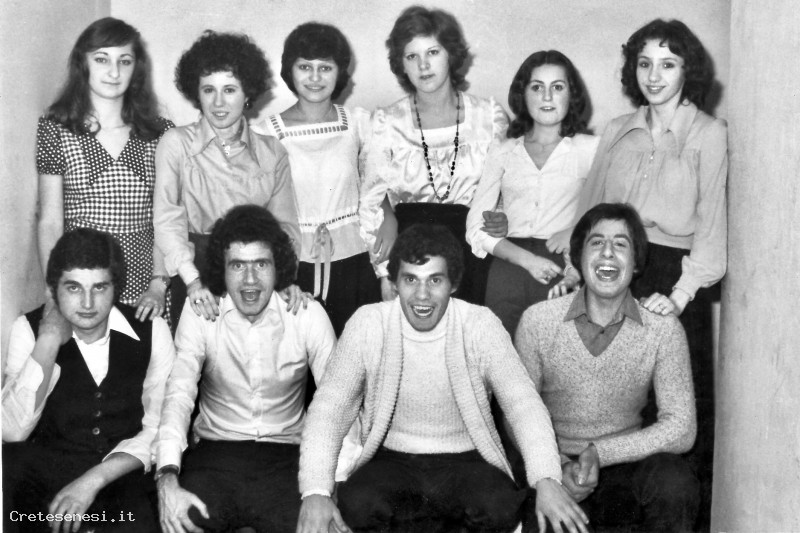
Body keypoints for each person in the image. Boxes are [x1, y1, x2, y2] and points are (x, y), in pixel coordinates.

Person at [297, 224, 589, 533]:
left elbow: (523, 403)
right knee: (357, 505)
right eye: (411, 279)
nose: (422, 295)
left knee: (501, 507)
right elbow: (330, 407)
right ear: (395, 283)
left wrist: (547, 478)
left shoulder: (480, 324)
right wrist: (315, 490)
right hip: (390, 459)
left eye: (435, 280)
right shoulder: (368, 323)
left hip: (467, 460)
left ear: (453, 283)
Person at [550, 20, 726, 527]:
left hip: (675, 279)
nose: (654, 75)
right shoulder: (617, 130)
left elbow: (712, 227)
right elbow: (590, 211)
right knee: (611, 404)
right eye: (645, 63)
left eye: (668, 64)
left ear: (688, 71)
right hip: (614, 268)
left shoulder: (708, 134)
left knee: (676, 420)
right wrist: (575, 271)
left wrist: (681, 295)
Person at [154, 205, 354, 533]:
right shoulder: (201, 311)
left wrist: (328, 488)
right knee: (174, 522)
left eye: (261, 264)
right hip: (216, 454)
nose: (249, 280)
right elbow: (178, 395)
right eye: (237, 265)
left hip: (290, 457)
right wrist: (166, 475)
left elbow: (340, 403)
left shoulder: (306, 314)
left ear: (279, 268)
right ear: (221, 269)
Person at [516, 203, 699, 531]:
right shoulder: (538, 321)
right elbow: (517, 414)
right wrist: (556, 467)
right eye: (597, 242)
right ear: (578, 257)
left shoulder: (662, 329)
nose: (608, 253)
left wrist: (599, 453)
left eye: (621, 244)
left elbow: (682, 428)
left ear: (636, 262)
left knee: (674, 481)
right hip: (552, 469)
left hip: (624, 465)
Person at [2, 228, 175, 532]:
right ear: (54, 288)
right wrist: (48, 341)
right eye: (73, 288)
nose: (87, 302)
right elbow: (12, 431)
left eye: (99, 287)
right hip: (49, 474)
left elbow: (161, 425)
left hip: (122, 474)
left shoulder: (152, 329)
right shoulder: (27, 329)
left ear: (116, 287)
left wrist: (94, 479)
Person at [360, 6, 509, 305]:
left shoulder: (489, 118)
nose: (423, 65)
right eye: (411, 56)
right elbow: (371, 198)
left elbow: (503, 191)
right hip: (408, 255)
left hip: (471, 249)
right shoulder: (387, 123)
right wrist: (385, 272)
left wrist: (502, 219)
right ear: (401, 64)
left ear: (450, 54)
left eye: (433, 52)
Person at [154, 30, 301, 328]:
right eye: (209, 90)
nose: (218, 102)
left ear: (248, 94)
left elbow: (285, 228)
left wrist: (283, 279)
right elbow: (168, 220)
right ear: (197, 93)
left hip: (254, 274)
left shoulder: (273, 152)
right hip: (195, 275)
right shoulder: (176, 143)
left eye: (230, 90)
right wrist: (193, 281)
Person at [36, 17, 173, 322]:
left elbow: (167, 219)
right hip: (82, 284)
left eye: (125, 61)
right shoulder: (55, 128)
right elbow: (50, 220)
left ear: (136, 68)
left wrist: (158, 284)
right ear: (82, 64)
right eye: (102, 59)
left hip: (146, 289)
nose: (114, 72)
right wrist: (54, 290)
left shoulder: (161, 132)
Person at [255, 22, 380, 335]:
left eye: (325, 67)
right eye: (305, 67)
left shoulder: (358, 123)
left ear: (340, 72)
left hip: (355, 262)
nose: (314, 77)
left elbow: (377, 188)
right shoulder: (266, 132)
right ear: (290, 70)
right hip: (293, 267)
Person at [466, 50, 599, 335]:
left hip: (562, 266)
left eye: (557, 87)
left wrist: (577, 231)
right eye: (537, 87)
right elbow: (476, 228)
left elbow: (613, 211)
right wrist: (527, 261)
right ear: (523, 94)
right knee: (501, 353)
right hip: (508, 265)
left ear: (571, 94)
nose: (547, 97)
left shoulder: (590, 148)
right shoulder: (503, 149)